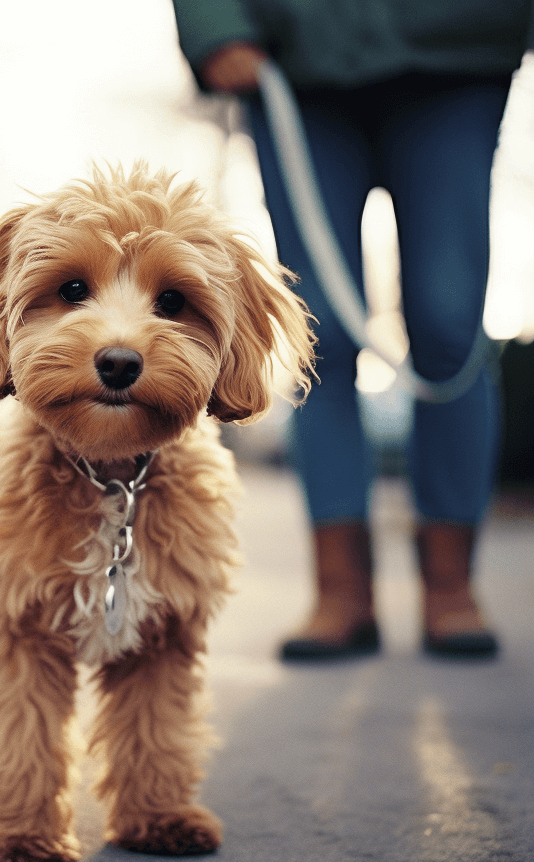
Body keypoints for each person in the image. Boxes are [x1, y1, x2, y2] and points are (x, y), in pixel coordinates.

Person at [172, 0, 534, 660]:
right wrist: (213, 25)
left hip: (456, 52)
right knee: (321, 337)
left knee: (450, 330)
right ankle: (341, 590)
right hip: (295, 59)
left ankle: (451, 586)